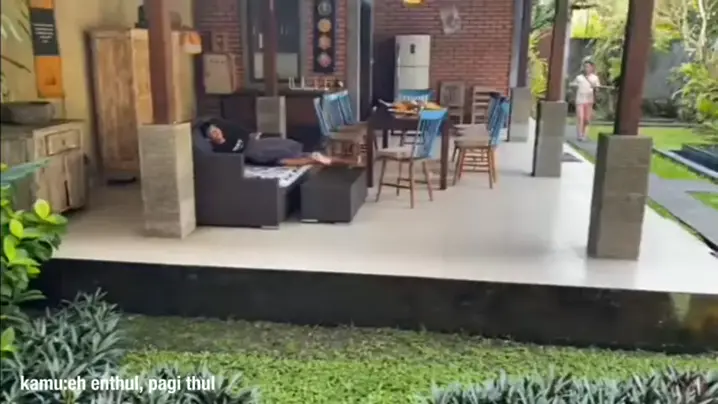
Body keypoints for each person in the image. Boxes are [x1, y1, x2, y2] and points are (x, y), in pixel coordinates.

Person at [197, 117, 353, 166]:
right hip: (254, 153)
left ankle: (338, 160)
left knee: (288, 145)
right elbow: (237, 158)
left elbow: (244, 133)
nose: (217, 133)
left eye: (216, 130)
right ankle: (314, 159)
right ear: (210, 138)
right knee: (281, 156)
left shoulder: (231, 132)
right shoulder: (220, 150)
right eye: (213, 134)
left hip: (256, 142)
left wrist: (253, 136)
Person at [571, 61, 601, 141]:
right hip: (580, 100)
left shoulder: (595, 78)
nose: (586, 68)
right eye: (585, 66)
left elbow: (597, 89)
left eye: (588, 66)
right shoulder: (579, 77)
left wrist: (595, 87)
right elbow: (572, 85)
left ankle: (585, 134)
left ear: (591, 68)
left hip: (589, 100)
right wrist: (574, 88)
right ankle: (579, 135)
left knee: (586, 119)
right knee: (580, 117)